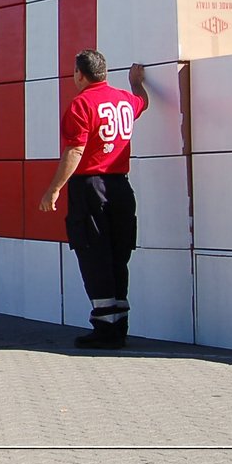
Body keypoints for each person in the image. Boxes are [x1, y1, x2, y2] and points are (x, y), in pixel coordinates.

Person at [39, 50, 148, 350]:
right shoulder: (125, 99)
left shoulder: (81, 104)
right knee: (117, 255)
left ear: (79, 74)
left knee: (93, 253)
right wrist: (136, 82)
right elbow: (143, 103)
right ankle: (118, 325)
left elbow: (75, 151)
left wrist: (54, 189)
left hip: (91, 187)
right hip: (121, 187)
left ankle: (104, 328)